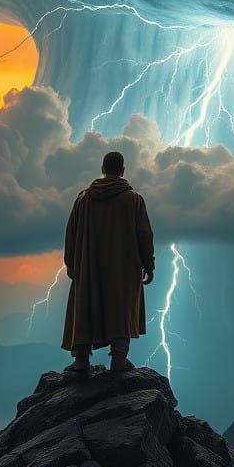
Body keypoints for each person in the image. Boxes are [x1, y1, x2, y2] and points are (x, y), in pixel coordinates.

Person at [62, 150, 155, 374]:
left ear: (102, 169)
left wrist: (72, 264)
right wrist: (148, 264)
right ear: (122, 171)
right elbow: (144, 234)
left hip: (89, 266)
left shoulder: (83, 199)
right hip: (124, 267)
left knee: (85, 305)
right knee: (121, 305)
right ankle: (119, 359)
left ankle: (81, 359)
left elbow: (70, 233)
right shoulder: (133, 199)